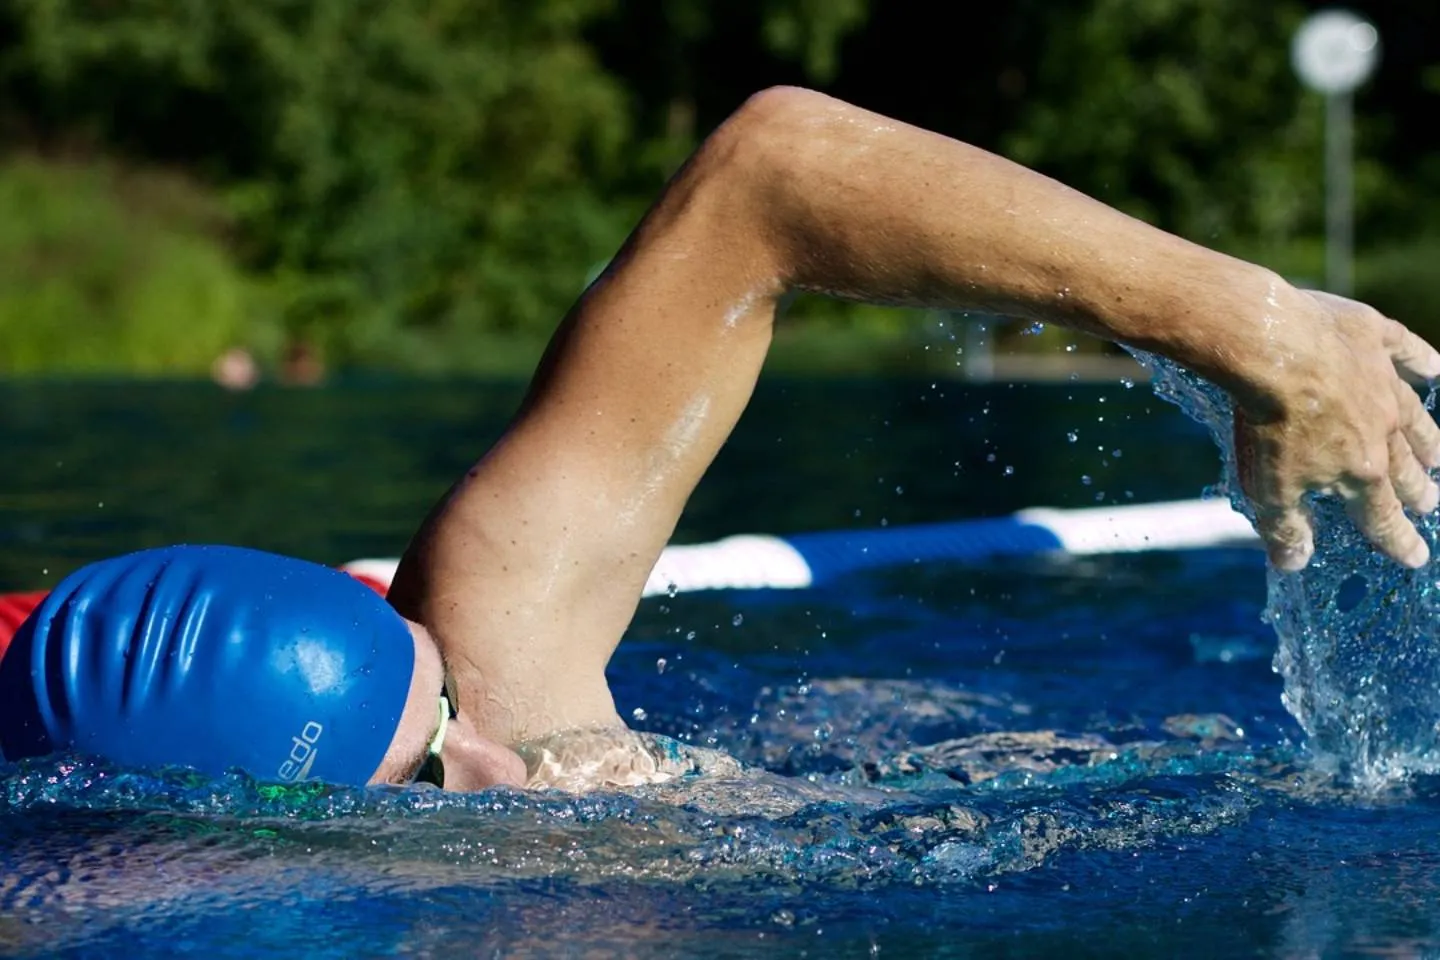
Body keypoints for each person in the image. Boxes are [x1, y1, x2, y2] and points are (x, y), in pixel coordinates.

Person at [2, 87, 1438, 792]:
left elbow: (774, 173)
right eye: (431, 781)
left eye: (444, 710)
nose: (497, 761)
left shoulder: (478, 638)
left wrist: (1250, 322)